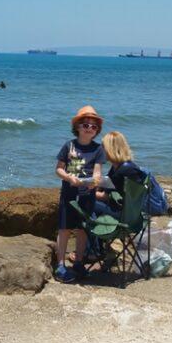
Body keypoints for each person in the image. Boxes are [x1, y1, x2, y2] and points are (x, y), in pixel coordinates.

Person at [54, 105, 105, 282]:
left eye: (94, 126)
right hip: (69, 192)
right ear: (77, 127)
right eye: (86, 125)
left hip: (87, 195)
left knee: (83, 229)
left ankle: (79, 263)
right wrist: (68, 178)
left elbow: (97, 172)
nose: (90, 128)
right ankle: (60, 265)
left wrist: (95, 182)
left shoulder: (98, 149)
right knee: (65, 228)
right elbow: (59, 169)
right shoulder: (68, 146)